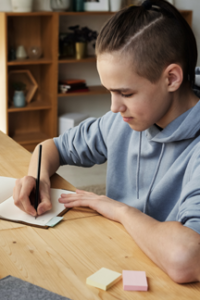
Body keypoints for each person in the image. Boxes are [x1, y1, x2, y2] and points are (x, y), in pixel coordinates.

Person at [13, 0, 200, 283]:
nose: (113, 107)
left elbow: (187, 259)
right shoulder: (122, 121)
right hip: (117, 258)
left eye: (125, 93)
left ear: (172, 78)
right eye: (110, 91)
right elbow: (50, 148)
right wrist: (37, 176)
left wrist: (119, 210)